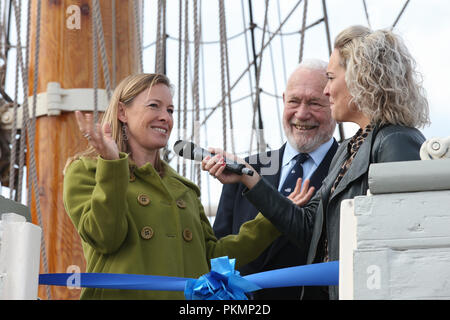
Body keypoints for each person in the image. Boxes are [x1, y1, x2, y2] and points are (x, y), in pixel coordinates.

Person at [202, 25, 430, 300]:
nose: (327, 90)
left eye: (331, 78)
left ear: (361, 79)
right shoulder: (351, 148)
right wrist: (249, 176)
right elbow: (309, 228)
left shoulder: (395, 142)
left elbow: (408, 244)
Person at [62, 73, 281, 300]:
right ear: (122, 112)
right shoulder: (88, 171)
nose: (165, 117)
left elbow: (213, 257)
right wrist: (112, 165)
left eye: (170, 110)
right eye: (154, 106)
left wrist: (275, 218)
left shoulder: (182, 188)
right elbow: (106, 238)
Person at [213, 59, 338, 300]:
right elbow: (220, 254)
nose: (302, 113)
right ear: (283, 100)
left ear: (333, 102)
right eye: (294, 101)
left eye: (314, 102)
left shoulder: (348, 169)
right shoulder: (244, 170)